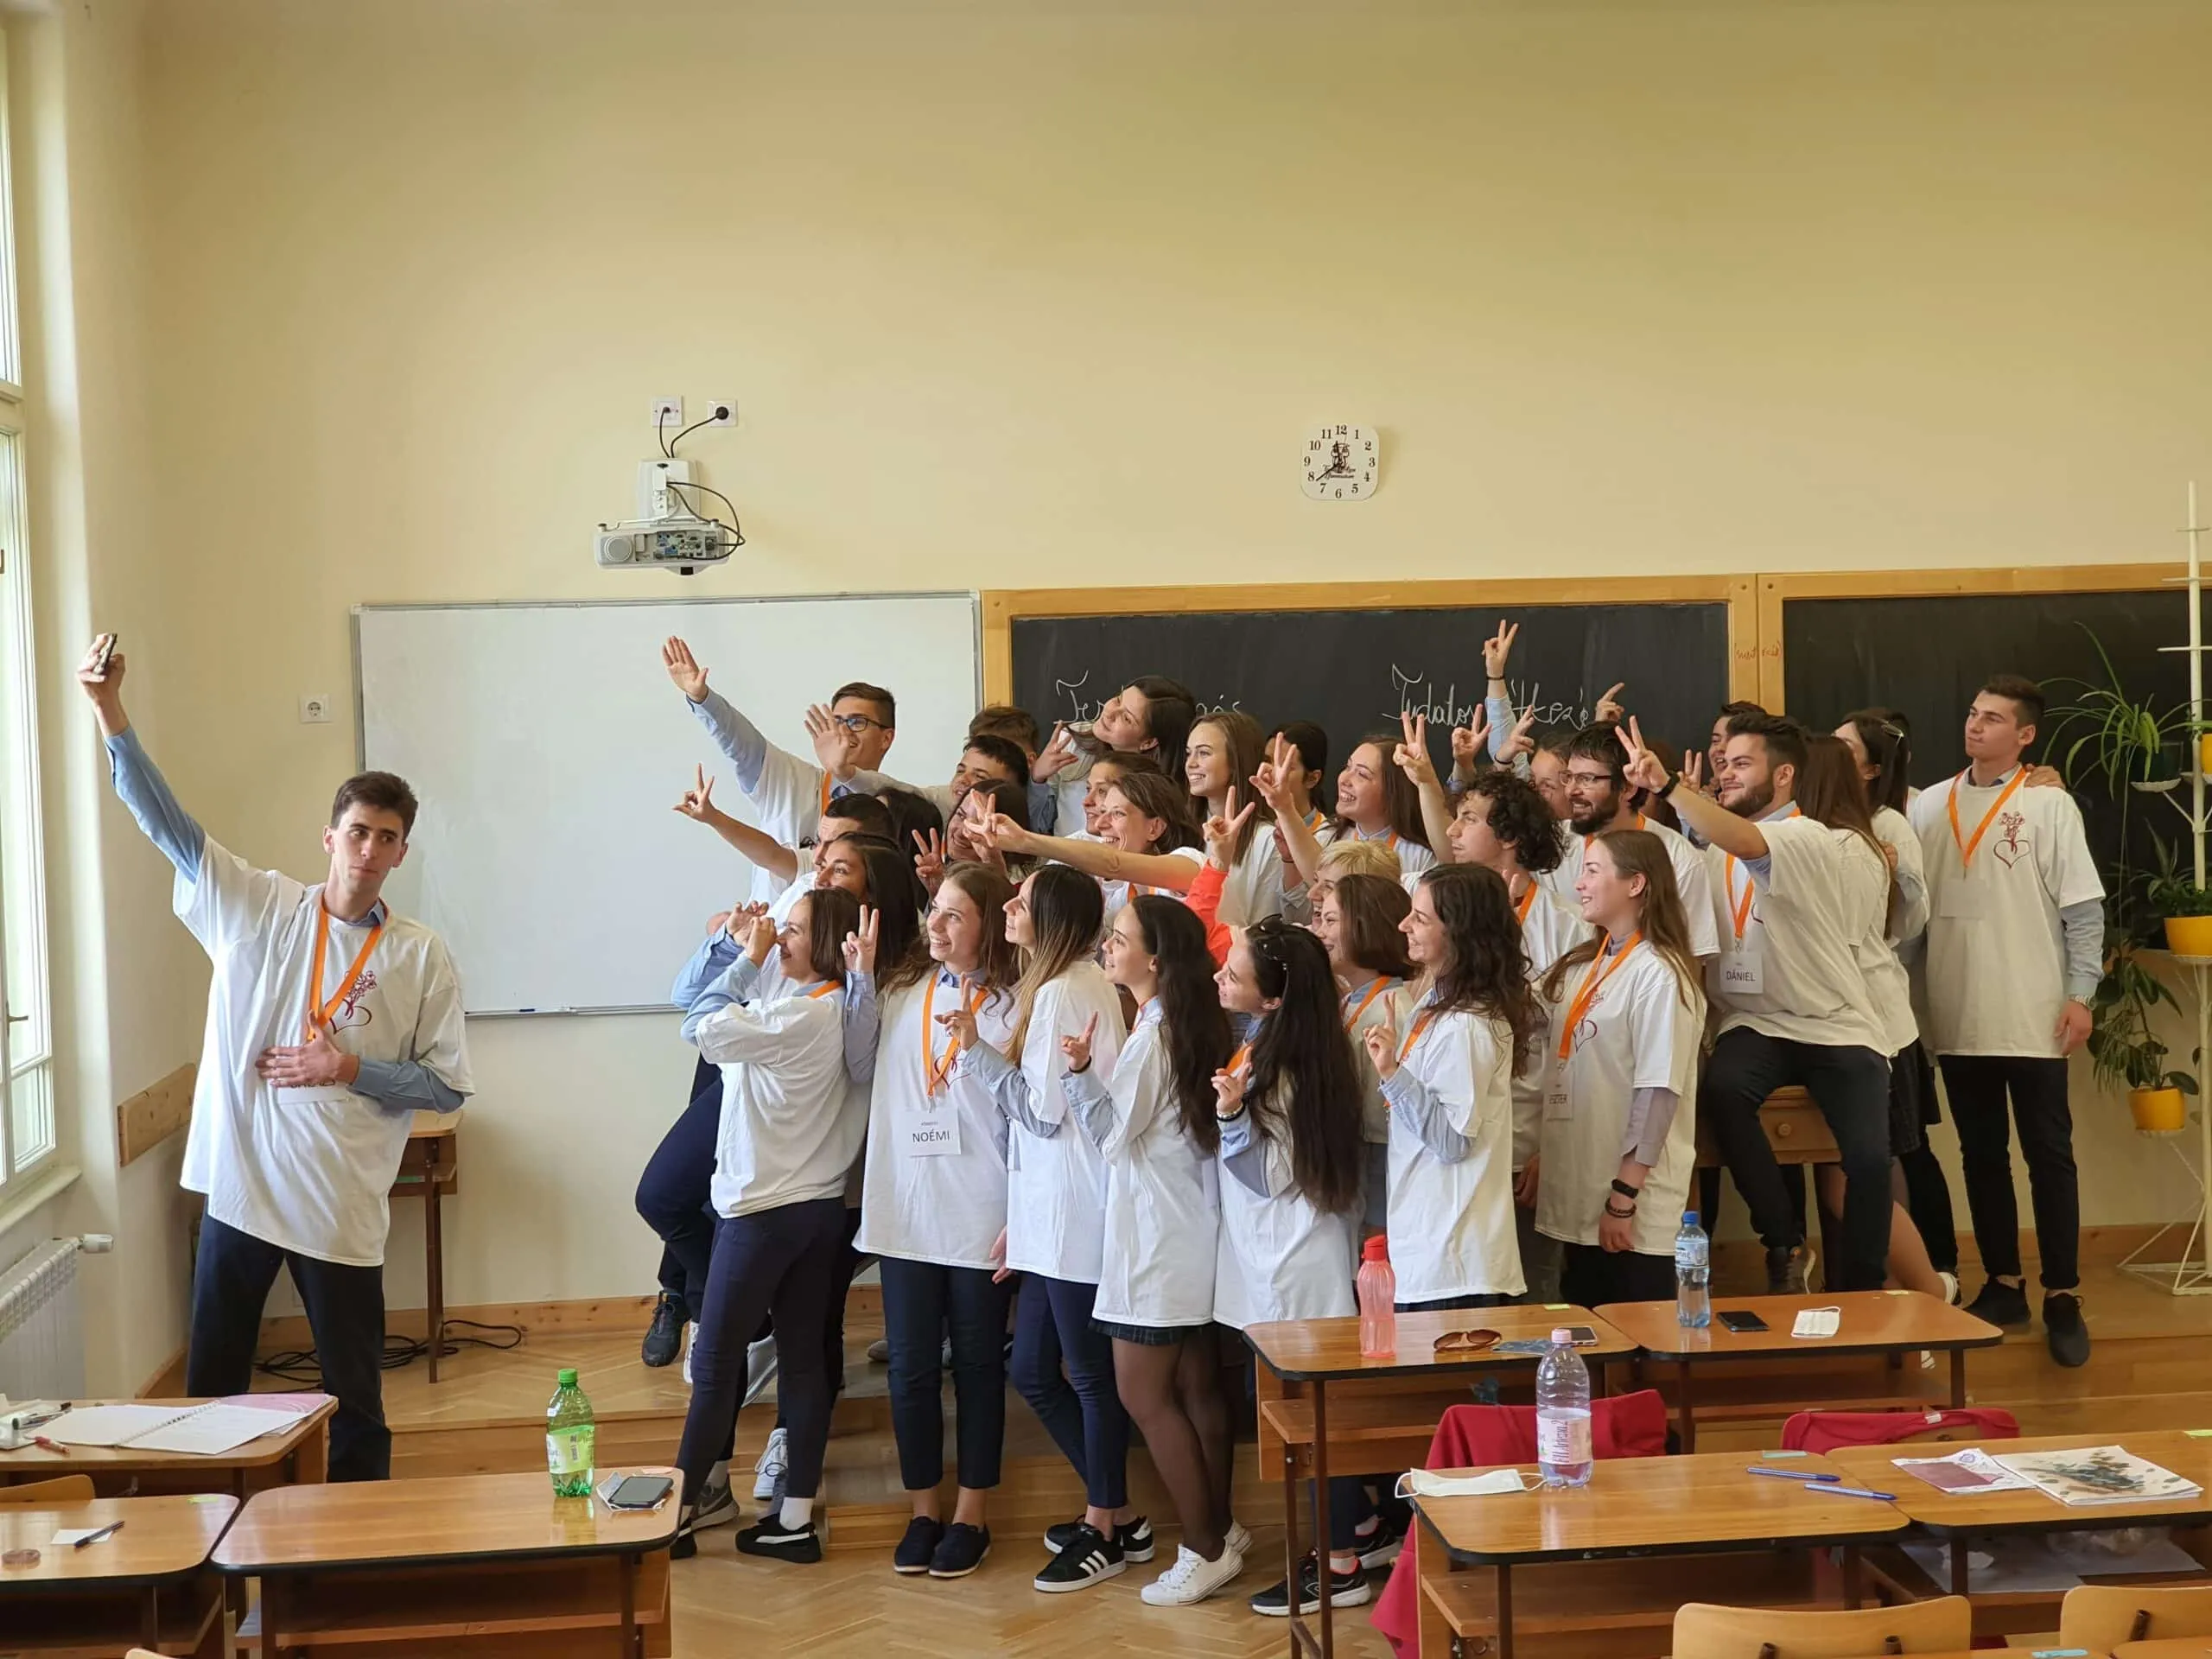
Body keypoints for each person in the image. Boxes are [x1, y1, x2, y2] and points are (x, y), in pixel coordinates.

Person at [77, 638, 471, 1484]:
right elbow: (167, 825)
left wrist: (348, 1069)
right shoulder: (257, 907)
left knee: (355, 1401)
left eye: (387, 838)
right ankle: (204, 1530)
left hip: (339, 1207)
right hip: (244, 1191)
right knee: (213, 1389)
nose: (368, 850)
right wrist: (110, 711)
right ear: (329, 836)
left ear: (402, 853)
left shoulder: (420, 955)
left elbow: (445, 1087)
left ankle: (356, 1540)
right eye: (357, 832)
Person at [1619, 715, 1894, 1293]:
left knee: (1869, 1159)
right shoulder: (1709, 849)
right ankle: (1784, 1243)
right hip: (1756, 1022)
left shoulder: (1806, 835)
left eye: (1742, 765)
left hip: (1835, 1023)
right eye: (1724, 764)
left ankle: (1864, 1292)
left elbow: (1746, 842)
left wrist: (1669, 787)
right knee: (1722, 1089)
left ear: (1785, 775)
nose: (1727, 774)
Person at [1910, 676, 2104, 1366]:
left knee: (2049, 1156)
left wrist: (2081, 994)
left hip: (2034, 1011)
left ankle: (2063, 1293)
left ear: (2025, 735)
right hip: (1957, 1009)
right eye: (1972, 713)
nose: (1975, 725)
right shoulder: (1929, 804)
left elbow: (2083, 911)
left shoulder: (2048, 803)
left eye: (1993, 719)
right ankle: (2002, 1283)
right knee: (1981, 1154)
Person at [956, 867, 1143, 1580]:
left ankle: (1105, 1526)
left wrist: (975, 1052)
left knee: (1085, 1375)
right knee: (1033, 1370)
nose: (1008, 906)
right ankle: (1119, 1508)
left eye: (1023, 902)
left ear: (1053, 918)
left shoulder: (1066, 988)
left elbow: (1039, 1113)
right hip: (1050, 1212)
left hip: (1073, 1212)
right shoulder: (1068, 982)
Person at [672, 884, 865, 1564]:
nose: (780, 936)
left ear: (829, 943)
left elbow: (698, 1024)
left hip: (761, 1212)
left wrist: (748, 958)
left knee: (715, 1364)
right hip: (816, 1208)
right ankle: (794, 1517)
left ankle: (678, 1514)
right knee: (804, 1363)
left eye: (796, 929)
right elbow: (704, 1011)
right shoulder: (832, 1008)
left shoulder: (799, 1015)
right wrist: (749, 957)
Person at [1057, 898, 1237, 1603]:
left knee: (1143, 1394)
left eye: (1120, 938)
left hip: (1155, 1241)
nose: (1107, 945)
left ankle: (1205, 1547)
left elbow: (1112, 1136)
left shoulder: (1153, 1036)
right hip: (1186, 1230)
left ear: (1154, 960)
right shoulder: (1185, 1024)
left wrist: (1079, 1078)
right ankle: (1220, 1528)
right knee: (1196, 1389)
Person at [849, 865, 1026, 1580]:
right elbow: (856, 1063)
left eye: (956, 915)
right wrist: (860, 979)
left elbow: (1028, 1119)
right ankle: (923, 1510)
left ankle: (971, 1515)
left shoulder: (1016, 1004)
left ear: (988, 924)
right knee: (911, 1369)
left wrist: (1024, 1215)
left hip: (983, 1210)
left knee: (979, 1367)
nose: (938, 925)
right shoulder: (900, 992)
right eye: (935, 911)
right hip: (907, 1210)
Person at [1212, 919, 1381, 1618]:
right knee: (1306, 1415)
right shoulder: (1280, 1044)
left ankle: (1338, 1564)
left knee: (1307, 1422)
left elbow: (1270, 1175)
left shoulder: (1289, 1068)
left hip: (1293, 1264)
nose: (1220, 977)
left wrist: (1230, 1116)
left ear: (1274, 997)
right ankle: (1357, 1528)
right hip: (1281, 1256)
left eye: (1234, 973)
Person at [1795, 734, 1952, 1304]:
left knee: (1867, 1175)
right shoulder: (1828, 839)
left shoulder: (1855, 843)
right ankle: (1892, 1299)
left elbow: (1899, 925)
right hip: (1842, 1029)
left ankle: (1924, 1294)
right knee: (1844, 1178)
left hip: (1875, 1030)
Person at [1535, 830, 1706, 1307]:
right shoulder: (1587, 964)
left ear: (1636, 883)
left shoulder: (1659, 973)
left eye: (1592, 871)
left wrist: (1624, 1196)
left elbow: (1658, 1092)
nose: (1579, 884)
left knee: (1635, 1329)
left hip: (1630, 1207)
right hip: (1583, 1187)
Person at [1440, 771, 1591, 1304]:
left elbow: (1576, 1050)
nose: (1453, 830)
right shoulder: (1442, 918)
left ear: (1508, 837)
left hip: (1526, 1145)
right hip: (1455, 1141)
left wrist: (1553, 1146)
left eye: (1468, 819)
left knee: (1531, 1297)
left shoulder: (1568, 927)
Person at [1363, 865, 1537, 1309]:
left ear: (1459, 933)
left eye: (1420, 918)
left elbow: (1453, 1141)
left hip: (1456, 1262)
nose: (1403, 925)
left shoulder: (1468, 1025)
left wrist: (1392, 1074)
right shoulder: (1438, 1005)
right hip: (1431, 1250)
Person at [1839, 708, 1960, 1287]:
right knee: (1856, 1160)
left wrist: (1888, 876)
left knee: (1897, 1151)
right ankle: (1886, 1280)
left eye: (1845, 750)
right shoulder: (1821, 816)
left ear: (1871, 769)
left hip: (1885, 1022)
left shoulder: (1889, 823)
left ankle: (1926, 1277)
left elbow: (1911, 921)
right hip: (1841, 1017)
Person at [661, 636, 897, 901]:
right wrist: (702, 698)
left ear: (886, 738)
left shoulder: (895, 809)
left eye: (857, 722)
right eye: (837, 721)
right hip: (769, 927)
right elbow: (740, 742)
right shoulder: (790, 778)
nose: (843, 731)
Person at [1551, 723, 1720, 962]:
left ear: (1628, 787)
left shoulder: (1678, 858)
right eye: (1568, 777)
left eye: (1586, 779)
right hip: (1569, 983)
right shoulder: (1556, 843)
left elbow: (1691, 960)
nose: (1571, 790)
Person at [1312, 874, 1416, 1236]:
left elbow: (1382, 1132)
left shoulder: (1391, 1010)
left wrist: (1376, 1220)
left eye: (1330, 921)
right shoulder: (1350, 1000)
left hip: (1373, 1191)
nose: (1320, 932)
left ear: (1364, 926)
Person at [983, 771, 1204, 912]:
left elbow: (1113, 863)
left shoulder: (1190, 863)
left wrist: (1025, 840)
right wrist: (993, 860)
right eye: (1103, 812)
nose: (1100, 824)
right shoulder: (1114, 887)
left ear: (1154, 827)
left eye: (1117, 814)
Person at [1033, 677, 1199, 835]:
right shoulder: (1073, 741)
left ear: (1149, 742)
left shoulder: (1162, 791)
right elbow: (1035, 821)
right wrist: (1038, 777)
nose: (1110, 712)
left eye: (1126, 718)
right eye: (1118, 700)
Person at [1185, 709, 1285, 925]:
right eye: (1188, 753)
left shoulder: (1267, 840)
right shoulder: (1183, 827)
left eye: (1203, 753)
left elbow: (1264, 928)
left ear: (1235, 761)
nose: (1191, 763)